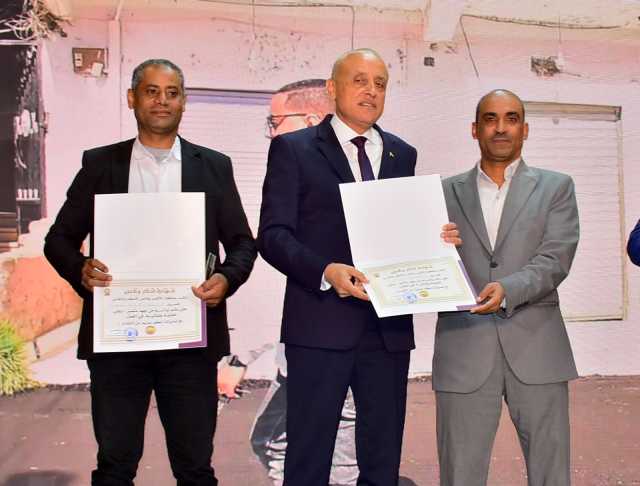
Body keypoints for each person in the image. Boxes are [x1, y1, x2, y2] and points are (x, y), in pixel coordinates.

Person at [44, 58, 256, 486]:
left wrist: (227, 279)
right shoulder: (100, 164)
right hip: (118, 341)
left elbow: (242, 243)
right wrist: (80, 269)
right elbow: (58, 240)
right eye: (151, 91)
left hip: (190, 340)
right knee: (115, 466)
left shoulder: (213, 166)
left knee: (195, 468)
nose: (162, 101)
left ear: (184, 102)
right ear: (132, 98)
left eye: (172, 93)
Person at [257, 48, 460, 486]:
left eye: (380, 83)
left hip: (387, 330)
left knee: (382, 456)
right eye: (360, 81)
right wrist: (325, 271)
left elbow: (404, 227)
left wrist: (437, 239)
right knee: (308, 456)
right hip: (318, 326)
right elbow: (272, 235)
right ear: (332, 89)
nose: (371, 91)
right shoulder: (294, 149)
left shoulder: (402, 154)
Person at [218, 78, 360, 486]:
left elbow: (282, 279)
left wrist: (239, 358)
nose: (270, 131)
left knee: (328, 458)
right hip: (309, 346)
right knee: (281, 443)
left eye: (276, 121)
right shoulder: (301, 174)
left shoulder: (332, 181)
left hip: (334, 344)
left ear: (313, 119)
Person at [434, 89, 580, 486]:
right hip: (463, 350)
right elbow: (423, 260)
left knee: (551, 474)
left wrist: (508, 289)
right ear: (474, 129)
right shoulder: (441, 193)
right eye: (490, 119)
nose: (501, 128)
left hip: (538, 348)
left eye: (511, 118)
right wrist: (431, 246)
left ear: (525, 129)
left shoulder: (556, 187)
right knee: (459, 474)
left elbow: (556, 258)